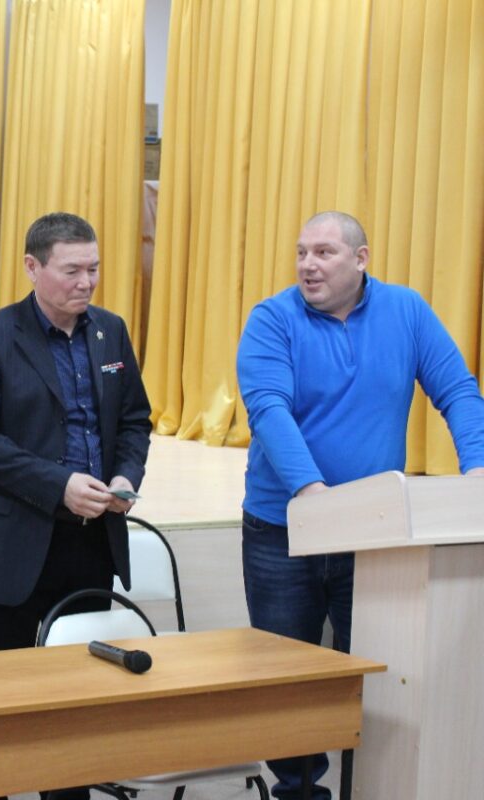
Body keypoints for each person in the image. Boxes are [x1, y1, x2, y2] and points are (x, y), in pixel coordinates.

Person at [236, 210, 484, 800]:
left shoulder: (407, 311)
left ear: (361, 259)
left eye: (323, 253)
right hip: (284, 531)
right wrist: (314, 495)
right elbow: (269, 409)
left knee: (375, 672)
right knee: (288, 679)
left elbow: (457, 390)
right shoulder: (272, 319)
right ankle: (299, 792)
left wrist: (478, 471)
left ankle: (368, 786)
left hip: (374, 533)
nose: (308, 265)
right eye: (301, 252)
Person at [0, 212, 151, 800]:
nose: (86, 282)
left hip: (91, 542)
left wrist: (125, 474)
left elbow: (134, 420)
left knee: (78, 695)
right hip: (15, 544)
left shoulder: (110, 332)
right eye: (71, 270)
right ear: (32, 268)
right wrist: (57, 483)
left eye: (93, 268)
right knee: (5, 698)